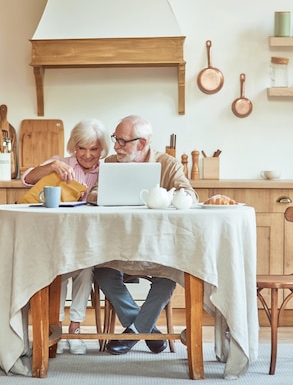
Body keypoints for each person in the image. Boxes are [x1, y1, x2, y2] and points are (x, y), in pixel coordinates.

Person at [89, 115, 198, 355]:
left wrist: (166, 199)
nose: (116, 146)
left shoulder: (168, 164)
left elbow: (190, 195)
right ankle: (146, 330)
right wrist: (105, 195)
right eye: (115, 139)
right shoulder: (110, 162)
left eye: (122, 142)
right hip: (117, 247)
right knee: (101, 270)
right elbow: (92, 194)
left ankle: (133, 332)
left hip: (158, 248)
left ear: (142, 143)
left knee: (170, 273)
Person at [22, 118, 109, 355]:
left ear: (102, 149)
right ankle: (55, 329)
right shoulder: (62, 163)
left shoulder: (109, 170)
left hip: (90, 241)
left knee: (85, 269)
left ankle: (76, 329)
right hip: (57, 240)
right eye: (82, 148)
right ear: (74, 147)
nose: (88, 155)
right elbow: (27, 178)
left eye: (94, 149)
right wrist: (51, 167)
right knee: (58, 271)